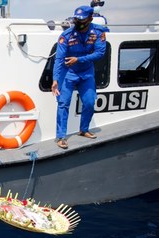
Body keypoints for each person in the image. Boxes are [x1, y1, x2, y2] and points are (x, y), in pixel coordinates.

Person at [51, 5, 107, 149]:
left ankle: (84, 129)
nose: (78, 22)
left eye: (81, 19)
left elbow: (100, 53)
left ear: (90, 18)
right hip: (68, 73)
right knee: (63, 103)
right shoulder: (66, 36)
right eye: (76, 19)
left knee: (89, 102)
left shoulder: (98, 32)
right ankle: (61, 137)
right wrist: (55, 79)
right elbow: (59, 59)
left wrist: (79, 59)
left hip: (87, 72)